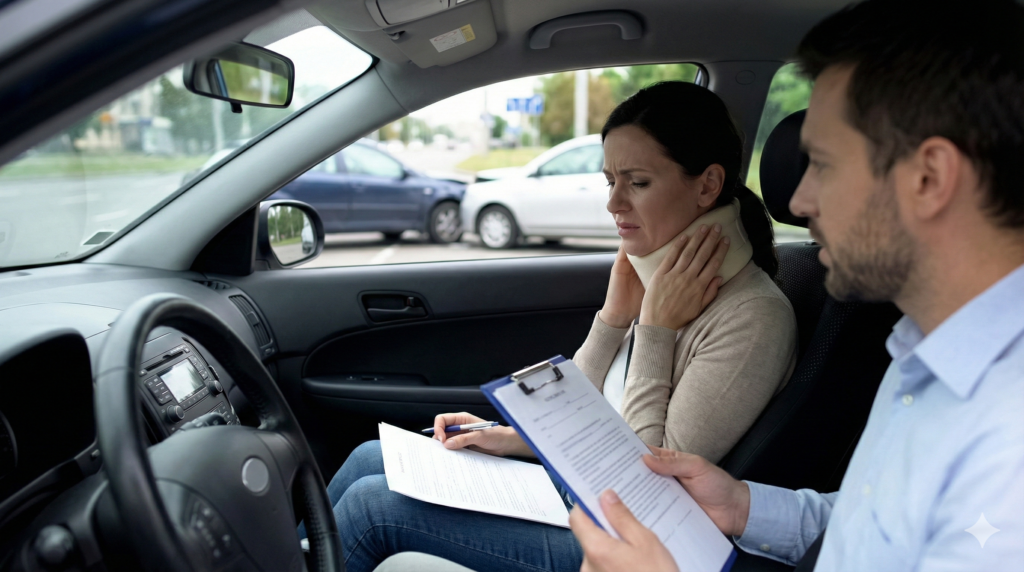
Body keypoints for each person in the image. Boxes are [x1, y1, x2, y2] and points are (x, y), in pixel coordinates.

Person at [563, 1, 1024, 571]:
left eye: (823, 165)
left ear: (929, 179)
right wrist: (744, 507)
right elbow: (870, 523)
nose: (800, 202)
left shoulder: (1007, 438)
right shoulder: (921, 356)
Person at [321, 82, 799, 572]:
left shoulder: (753, 317)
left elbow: (646, 491)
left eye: (637, 182)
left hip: (630, 539)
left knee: (370, 508)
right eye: (610, 181)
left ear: (707, 185)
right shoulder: (660, 278)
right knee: (368, 457)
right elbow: (591, 416)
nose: (614, 203)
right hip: (581, 491)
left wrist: (655, 329)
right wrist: (516, 432)